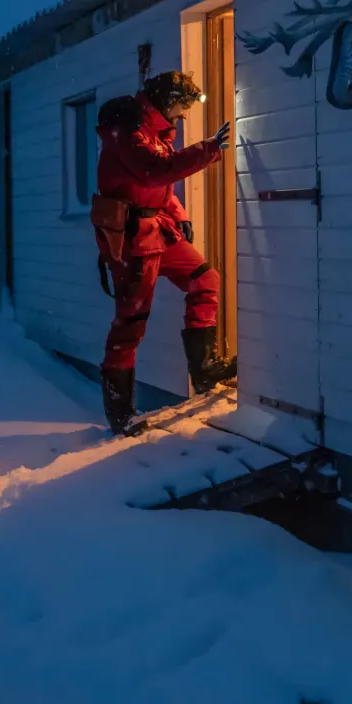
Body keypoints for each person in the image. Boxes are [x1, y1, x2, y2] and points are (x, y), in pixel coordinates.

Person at [90, 70, 235, 435]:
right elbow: (154, 172)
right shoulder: (129, 132)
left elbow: (161, 188)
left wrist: (178, 216)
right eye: (183, 105)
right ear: (167, 101)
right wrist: (207, 150)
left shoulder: (152, 133)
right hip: (133, 240)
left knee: (205, 279)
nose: (184, 114)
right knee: (131, 323)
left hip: (158, 232)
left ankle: (204, 371)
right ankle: (120, 414)